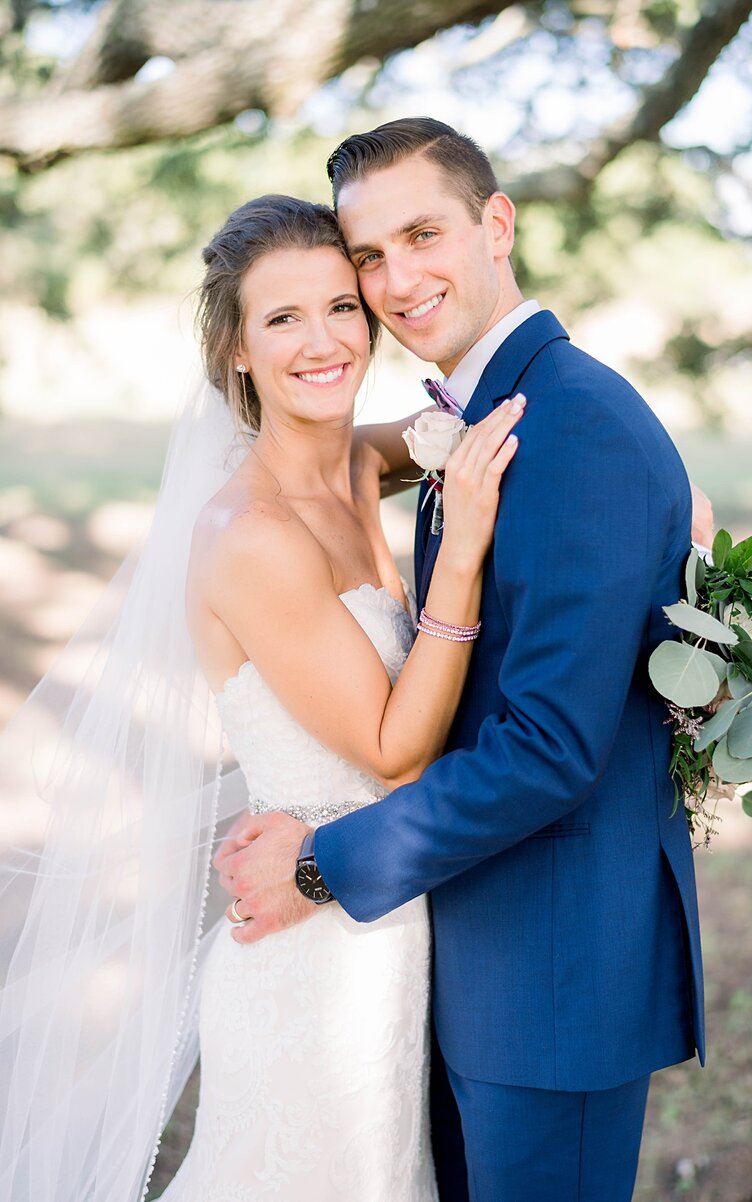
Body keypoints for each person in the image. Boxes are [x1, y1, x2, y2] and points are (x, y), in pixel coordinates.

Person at [216, 118, 708, 1202]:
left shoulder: (570, 428)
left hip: (549, 982)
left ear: (496, 223)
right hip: (460, 956)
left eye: (422, 234)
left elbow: (544, 750)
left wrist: (317, 862)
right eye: (369, 258)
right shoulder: (473, 416)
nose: (396, 280)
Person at [0, 193, 524, 1202]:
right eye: (282, 319)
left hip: (386, 925)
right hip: (309, 963)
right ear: (235, 350)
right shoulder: (252, 535)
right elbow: (395, 750)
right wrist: (457, 551)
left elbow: (423, 435)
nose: (323, 340)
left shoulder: (352, 465)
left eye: (340, 306)